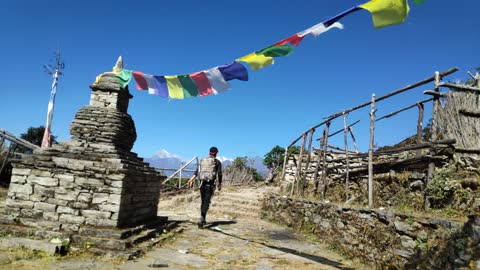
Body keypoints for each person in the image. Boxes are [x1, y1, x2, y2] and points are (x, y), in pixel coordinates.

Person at [187, 146, 223, 228]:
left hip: (202, 184)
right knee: (207, 201)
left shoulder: (203, 161)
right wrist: (220, 184)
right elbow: (219, 173)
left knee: (203, 201)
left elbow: (197, 172)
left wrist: (191, 180)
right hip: (210, 184)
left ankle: (203, 217)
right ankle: (202, 218)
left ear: (209, 152)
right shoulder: (217, 162)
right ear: (216, 153)